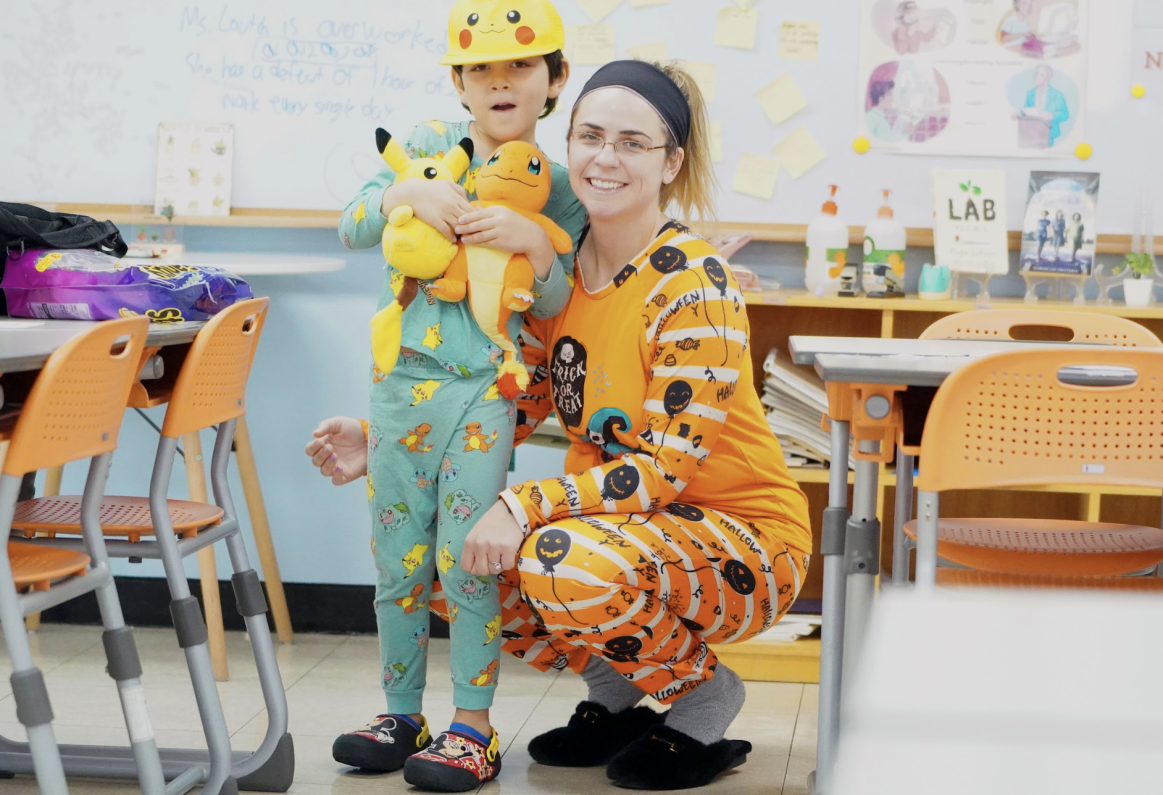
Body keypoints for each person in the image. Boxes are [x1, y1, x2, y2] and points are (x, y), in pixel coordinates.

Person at [309, 59, 812, 791]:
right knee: (453, 551)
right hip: (623, 533)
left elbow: (663, 472)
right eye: (590, 136)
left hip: (744, 541)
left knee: (552, 553)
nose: (605, 157)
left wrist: (520, 505)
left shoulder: (691, 285)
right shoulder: (557, 278)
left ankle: (703, 695)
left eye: (634, 143)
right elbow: (517, 401)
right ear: (565, 142)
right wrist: (388, 438)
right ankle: (616, 697)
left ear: (671, 161)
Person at [324, 1, 586, 790]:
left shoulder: (556, 185)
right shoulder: (427, 149)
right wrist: (407, 194)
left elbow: (555, 301)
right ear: (459, 83)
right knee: (396, 563)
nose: (500, 82)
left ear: (554, 81)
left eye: (520, 67)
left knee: (464, 562)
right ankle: (401, 711)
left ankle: (473, 727)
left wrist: (535, 245)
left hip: (481, 396)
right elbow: (352, 224)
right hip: (397, 389)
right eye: (481, 69)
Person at [1022, 64, 1069, 147]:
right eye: (1036, 73)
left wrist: (1052, 115)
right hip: (1032, 134)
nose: (1036, 76)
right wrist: (1019, 114)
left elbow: (1065, 114)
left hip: (1049, 135)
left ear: (1048, 77)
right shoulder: (1030, 94)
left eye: (1041, 74)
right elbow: (1026, 111)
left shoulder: (1057, 95)